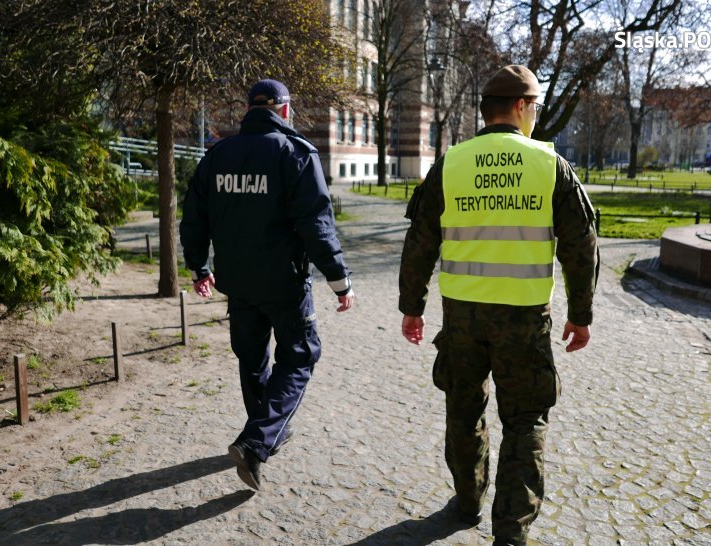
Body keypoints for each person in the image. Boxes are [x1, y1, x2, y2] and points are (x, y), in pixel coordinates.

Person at [398, 65, 598, 545]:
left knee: (463, 409)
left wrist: (412, 306)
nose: (536, 116)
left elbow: (420, 242)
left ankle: (467, 501)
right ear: (522, 107)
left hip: (462, 316)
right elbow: (580, 245)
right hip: (524, 319)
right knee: (526, 418)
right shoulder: (550, 165)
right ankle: (510, 532)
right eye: (536, 107)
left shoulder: (451, 164)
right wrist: (581, 314)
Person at [180, 79, 353, 491]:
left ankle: (263, 436)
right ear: (285, 110)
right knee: (299, 357)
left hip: (237, 282)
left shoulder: (217, 154)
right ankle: (257, 441)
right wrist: (339, 280)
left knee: (253, 359)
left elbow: (193, 218)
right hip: (284, 283)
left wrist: (199, 268)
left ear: (249, 110)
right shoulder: (294, 153)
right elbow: (317, 223)